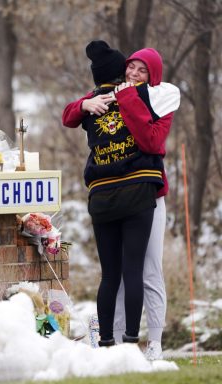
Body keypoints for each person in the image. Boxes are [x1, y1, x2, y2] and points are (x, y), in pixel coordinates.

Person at [62, 41, 179, 354]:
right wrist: (87, 105)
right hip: (113, 192)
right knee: (119, 275)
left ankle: (153, 342)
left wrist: (127, 98)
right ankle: (112, 343)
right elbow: (70, 113)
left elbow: (151, 142)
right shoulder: (107, 94)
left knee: (149, 270)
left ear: (151, 77)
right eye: (132, 67)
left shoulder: (158, 99)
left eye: (143, 71)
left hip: (150, 196)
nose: (136, 73)